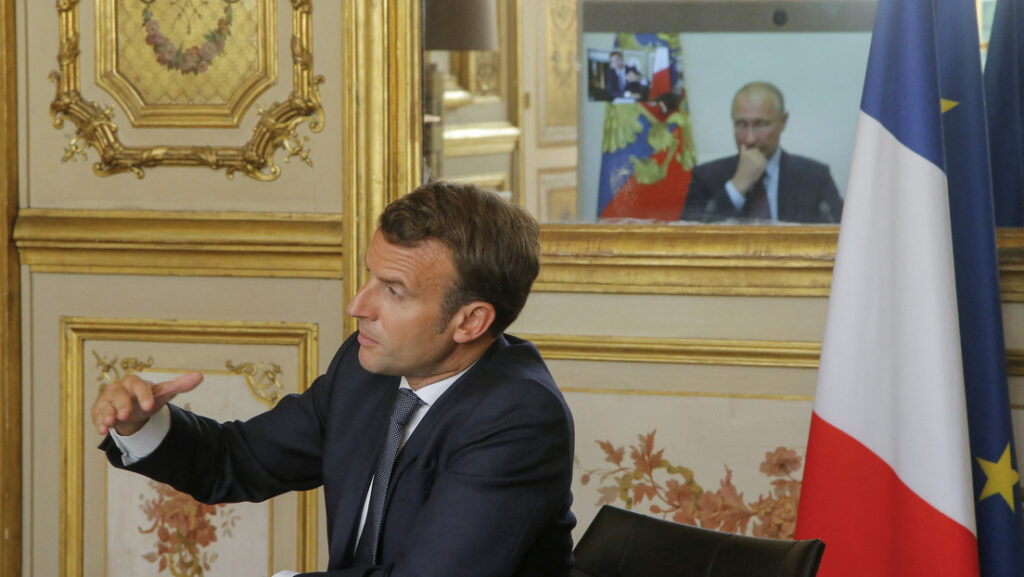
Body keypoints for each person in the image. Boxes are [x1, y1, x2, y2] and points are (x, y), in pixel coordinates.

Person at [90, 182, 577, 577]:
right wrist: (143, 426)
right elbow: (236, 461)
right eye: (369, 277)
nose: (358, 306)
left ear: (470, 322)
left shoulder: (520, 418)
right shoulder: (368, 370)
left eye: (394, 291)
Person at [680, 81, 844, 224]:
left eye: (760, 124)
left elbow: (843, 238)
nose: (750, 139)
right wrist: (736, 187)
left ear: (783, 122)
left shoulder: (814, 177)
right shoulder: (706, 177)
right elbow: (688, 241)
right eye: (741, 125)